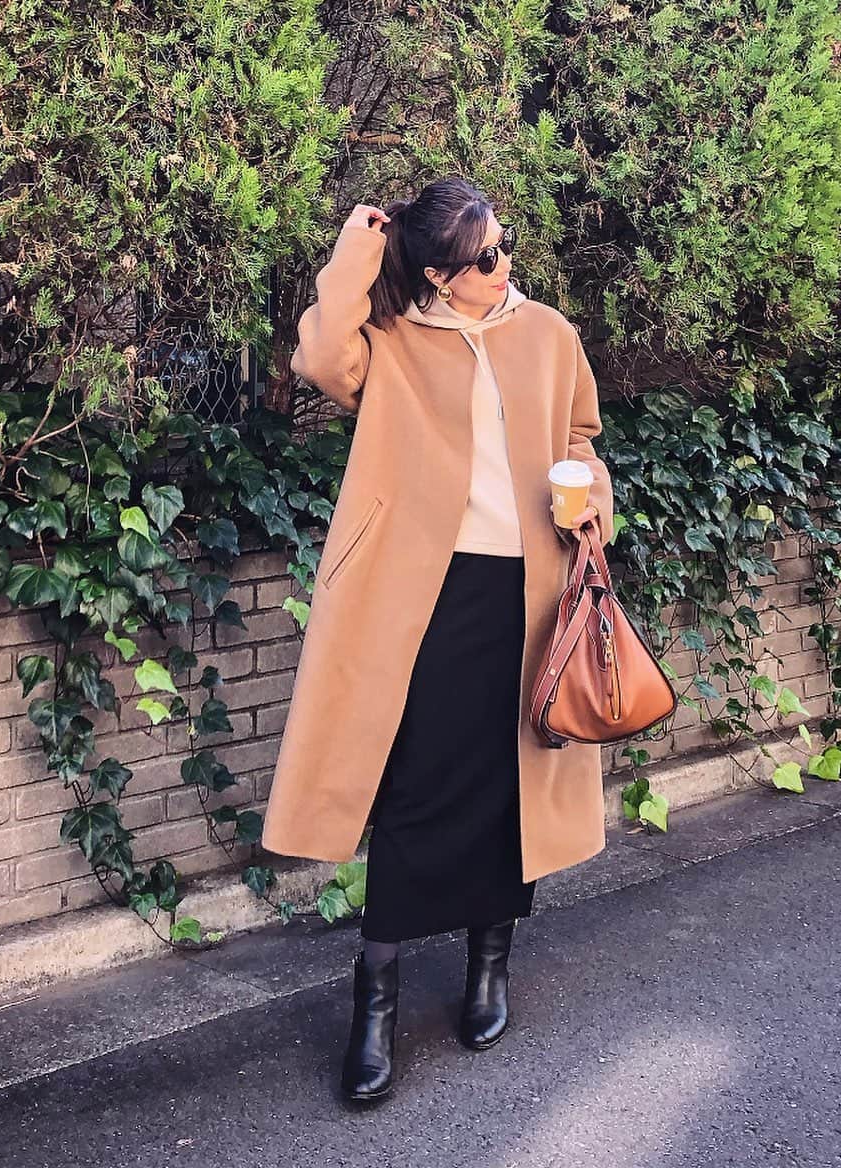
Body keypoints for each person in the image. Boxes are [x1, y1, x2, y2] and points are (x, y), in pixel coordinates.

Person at [261, 176, 614, 1103]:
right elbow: (320, 360)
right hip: (419, 596)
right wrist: (355, 248)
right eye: (483, 258)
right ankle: (374, 998)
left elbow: (582, 436)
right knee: (413, 789)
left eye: (504, 243)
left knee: (508, 786)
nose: (504, 266)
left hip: (527, 596)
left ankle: (488, 966)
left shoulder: (549, 334)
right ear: (436, 274)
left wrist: (589, 502)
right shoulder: (392, 342)